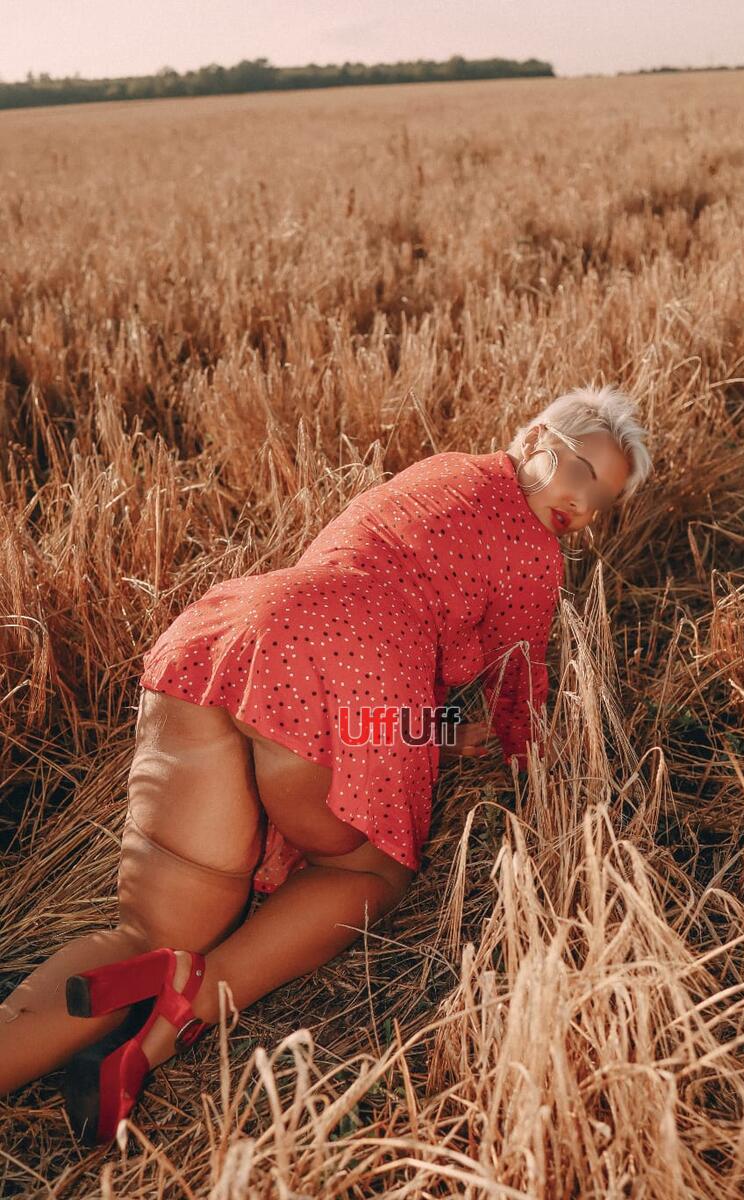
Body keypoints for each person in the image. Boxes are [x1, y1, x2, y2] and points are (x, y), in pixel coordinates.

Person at [0, 384, 652, 1142]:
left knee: (147, 931)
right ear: (537, 438)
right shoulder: (536, 555)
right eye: (582, 472)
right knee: (370, 873)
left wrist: (438, 730)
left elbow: (358, 625)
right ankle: (192, 1006)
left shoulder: (437, 472)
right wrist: (543, 772)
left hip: (232, 635)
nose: (584, 504)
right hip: (350, 673)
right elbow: (517, 688)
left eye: (604, 500)